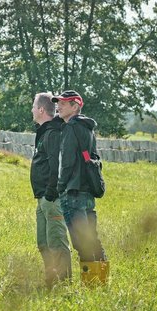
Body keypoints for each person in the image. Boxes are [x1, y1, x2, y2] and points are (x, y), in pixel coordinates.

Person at [52, 90, 109, 285]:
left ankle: (91, 285)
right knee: (92, 239)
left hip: (73, 192)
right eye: (57, 102)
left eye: (63, 103)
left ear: (75, 106)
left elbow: (67, 162)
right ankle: (101, 282)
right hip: (87, 193)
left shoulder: (70, 128)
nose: (58, 106)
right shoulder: (88, 128)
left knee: (81, 242)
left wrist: (60, 187)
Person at [30, 92, 71, 288]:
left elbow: (57, 166)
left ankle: (64, 284)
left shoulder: (53, 133)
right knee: (43, 243)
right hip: (42, 198)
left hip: (51, 198)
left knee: (57, 243)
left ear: (40, 110)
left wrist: (50, 192)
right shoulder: (44, 131)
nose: (31, 110)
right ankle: (51, 280)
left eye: (33, 106)